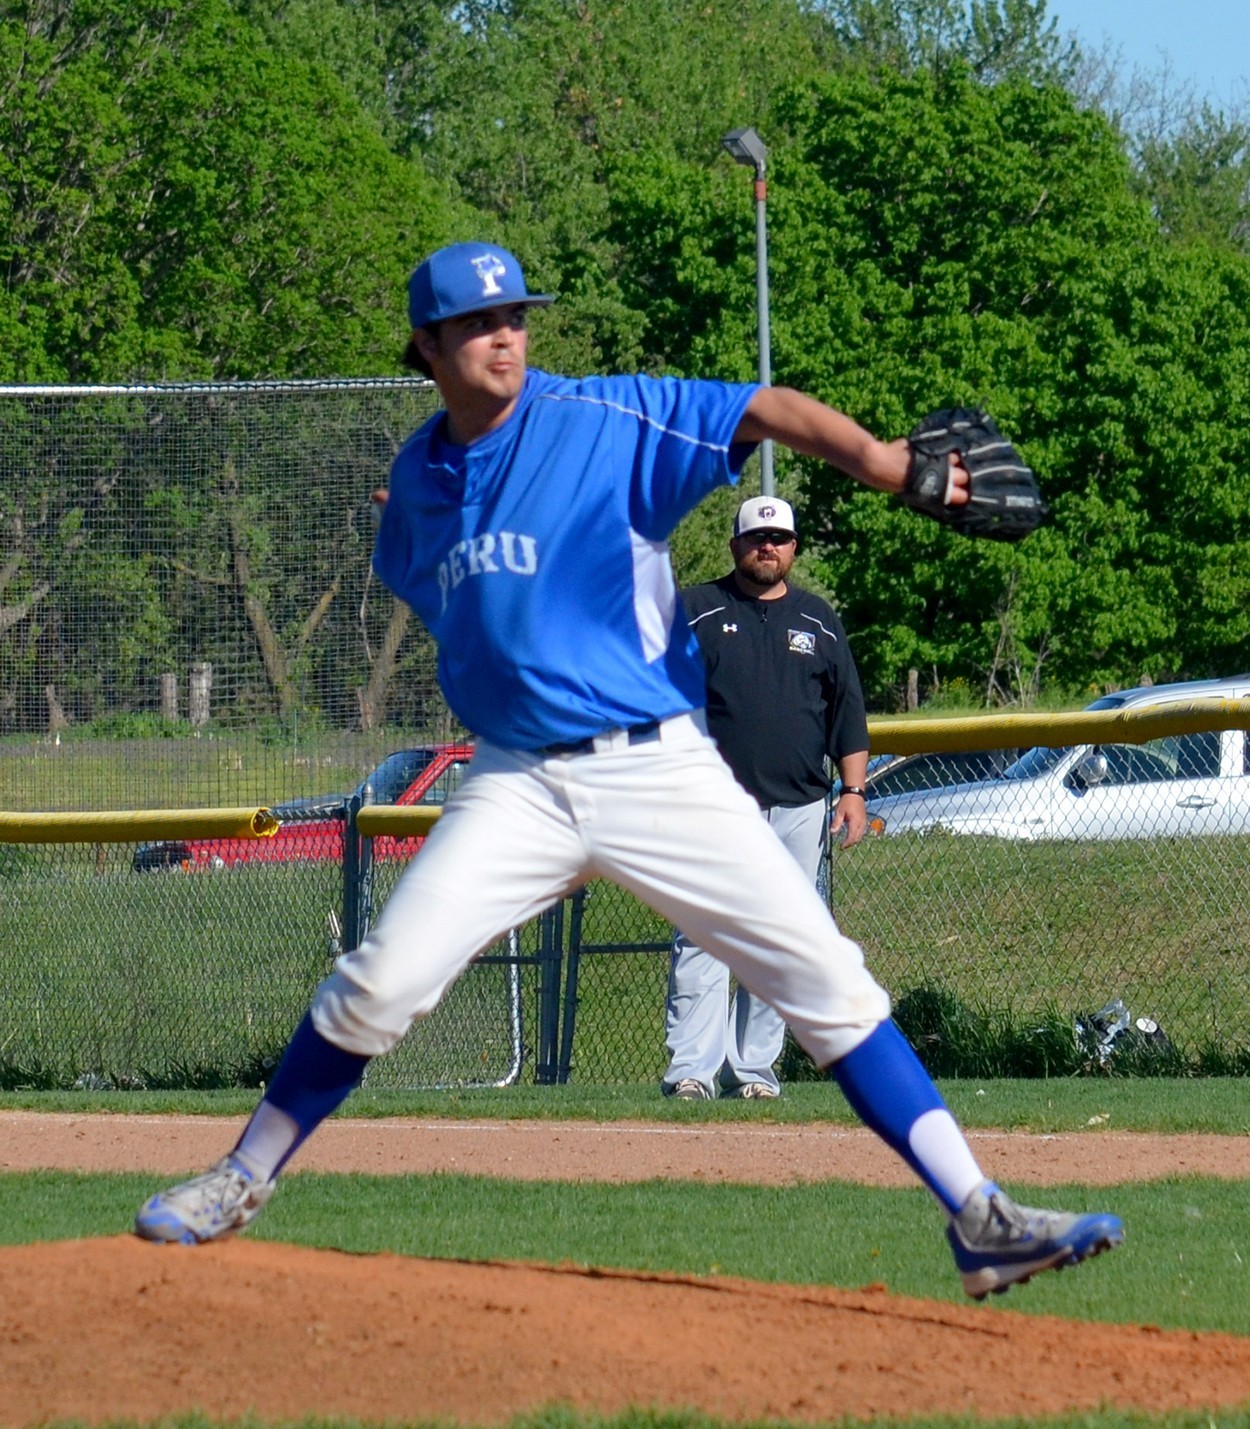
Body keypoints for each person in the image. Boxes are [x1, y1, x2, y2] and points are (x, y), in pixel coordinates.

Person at [134, 241, 1123, 1299]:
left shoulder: (604, 419)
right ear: (426, 348)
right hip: (515, 782)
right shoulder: (417, 487)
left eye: (513, 314)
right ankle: (240, 1177)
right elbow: (435, 590)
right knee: (379, 981)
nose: (502, 335)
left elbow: (763, 405)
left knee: (823, 980)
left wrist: (885, 464)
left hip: (656, 767)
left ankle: (978, 1215)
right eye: (474, 323)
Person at [663, 495, 870, 1100]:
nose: (768, 547)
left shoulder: (819, 620)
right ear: (736, 545)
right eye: (757, 537)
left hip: (801, 805)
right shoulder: (697, 609)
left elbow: (847, 714)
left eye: (779, 538)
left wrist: (853, 791)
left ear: (794, 548)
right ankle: (692, 1074)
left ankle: (755, 1071)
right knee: (704, 937)